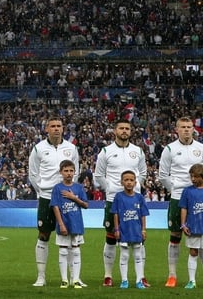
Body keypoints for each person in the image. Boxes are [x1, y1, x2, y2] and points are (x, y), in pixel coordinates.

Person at [93, 118, 147, 287]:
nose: (124, 131)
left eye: (127, 128)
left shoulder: (138, 151)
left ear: (130, 131)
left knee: (139, 240)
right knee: (111, 238)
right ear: (115, 131)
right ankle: (108, 275)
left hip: (134, 200)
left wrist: (137, 185)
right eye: (121, 128)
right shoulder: (106, 151)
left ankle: (141, 277)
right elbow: (98, 175)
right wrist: (109, 188)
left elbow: (143, 173)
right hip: (113, 200)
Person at [28, 116, 80, 287]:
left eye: (59, 126)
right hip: (46, 197)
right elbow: (33, 174)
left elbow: (76, 172)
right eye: (53, 126)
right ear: (47, 129)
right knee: (44, 234)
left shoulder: (71, 148)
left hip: (66, 197)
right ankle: (41, 276)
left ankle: (74, 277)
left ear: (63, 128)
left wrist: (68, 190)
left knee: (71, 236)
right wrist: (42, 190)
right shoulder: (38, 149)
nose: (56, 129)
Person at [158, 116, 203, 288]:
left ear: (194, 129)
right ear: (176, 129)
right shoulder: (169, 149)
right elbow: (163, 175)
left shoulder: (201, 148)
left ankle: (193, 278)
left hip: (198, 197)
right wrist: (176, 189)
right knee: (175, 235)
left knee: (200, 236)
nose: (186, 129)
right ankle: (172, 275)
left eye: (189, 127)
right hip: (178, 197)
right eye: (183, 127)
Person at [50, 160, 88, 289]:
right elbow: (55, 206)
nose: (68, 173)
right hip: (64, 224)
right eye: (66, 171)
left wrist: (74, 198)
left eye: (71, 171)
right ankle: (64, 280)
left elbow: (86, 205)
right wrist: (61, 224)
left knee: (76, 250)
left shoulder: (78, 188)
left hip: (76, 224)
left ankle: (76, 279)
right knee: (63, 251)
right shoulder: (57, 188)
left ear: (74, 172)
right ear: (61, 172)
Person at [111, 170, 149, 289]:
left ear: (135, 182)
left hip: (136, 231)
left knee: (138, 256)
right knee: (124, 255)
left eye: (131, 180)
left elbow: (143, 215)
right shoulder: (118, 197)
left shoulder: (139, 197)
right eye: (126, 180)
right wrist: (116, 229)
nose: (129, 182)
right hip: (124, 231)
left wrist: (143, 229)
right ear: (122, 182)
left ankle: (139, 280)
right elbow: (115, 213)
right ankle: (124, 280)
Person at [180, 163, 203, 289]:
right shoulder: (187, 191)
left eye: (195, 176)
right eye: (191, 176)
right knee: (193, 252)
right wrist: (183, 224)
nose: (193, 179)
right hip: (193, 227)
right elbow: (184, 208)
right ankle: (192, 281)